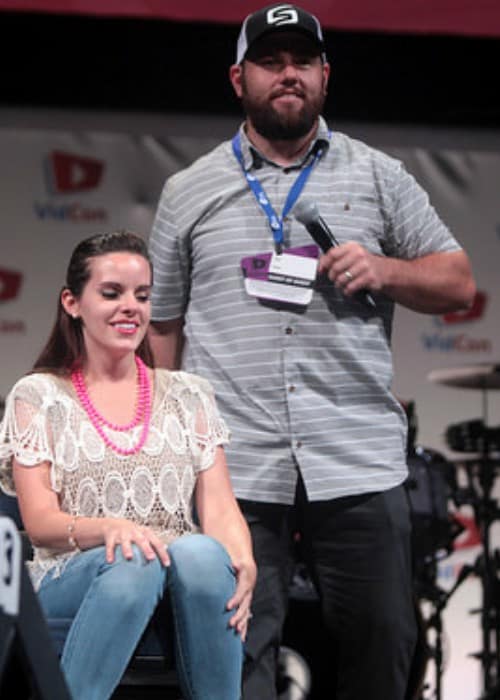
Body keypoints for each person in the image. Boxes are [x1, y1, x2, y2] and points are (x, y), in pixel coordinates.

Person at [147, 4, 476, 699]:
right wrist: (167, 449)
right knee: (237, 648)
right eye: (271, 61)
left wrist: (387, 270)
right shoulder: (188, 191)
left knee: (383, 645)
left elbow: (458, 281)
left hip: (356, 453)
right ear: (240, 78)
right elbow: (163, 329)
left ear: (326, 75)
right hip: (234, 465)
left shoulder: (380, 176)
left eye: (303, 61)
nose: (288, 73)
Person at [0, 230, 256, 700]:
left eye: (142, 295)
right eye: (112, 293)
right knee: (134, 558)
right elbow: (39, 524)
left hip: (175, 562)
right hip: (74, 569)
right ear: (73, 302)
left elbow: (219, 507)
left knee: (204, 554)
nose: (131, 307)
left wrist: (242, 560)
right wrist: (111, 528)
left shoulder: (188, 394)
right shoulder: (39, 396)